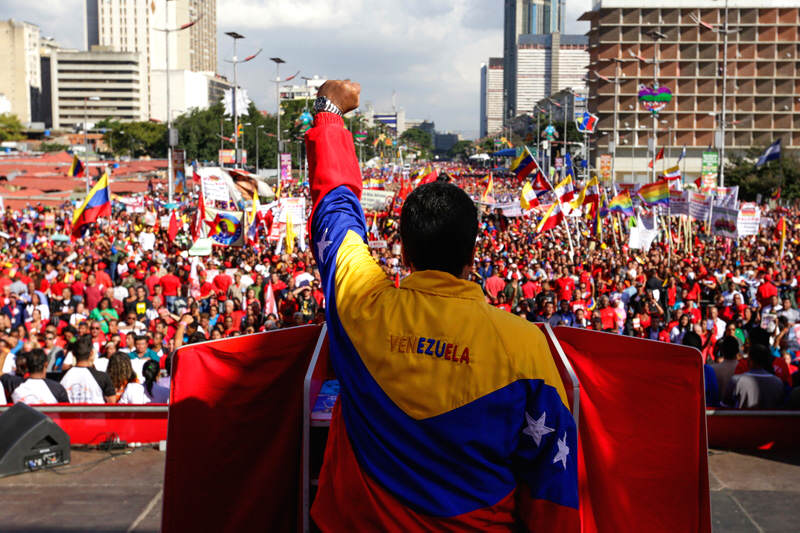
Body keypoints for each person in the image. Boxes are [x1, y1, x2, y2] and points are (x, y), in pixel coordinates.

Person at [307, 80, 578, 531]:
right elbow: (553, 490)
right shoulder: (523, 347)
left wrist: (328, 111)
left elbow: (334, 208)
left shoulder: (362, 307)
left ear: (404, 254)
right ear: (474, 255)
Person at [724, 343, 785, 409]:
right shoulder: (778, 382)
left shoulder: (736, 380)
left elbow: (725, 407)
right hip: (768, 419)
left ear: (750, 360)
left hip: (743, 419)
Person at [60, 336, 116, 403]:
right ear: (92, 353)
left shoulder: (63, 377)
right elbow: (112, 403)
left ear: (73, 353)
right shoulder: (102, 377)